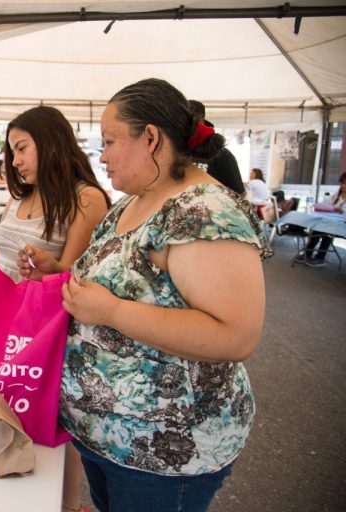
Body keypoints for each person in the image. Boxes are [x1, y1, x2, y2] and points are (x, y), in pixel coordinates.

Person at [42, 78, 270, 512]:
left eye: (109, 141)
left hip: (165, 453)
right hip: (107, 438)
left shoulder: (203, 209)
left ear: (150, 138)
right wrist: (60, 273)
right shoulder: (133, 202)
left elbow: (235, 335)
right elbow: (121, 279)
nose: (101, 156)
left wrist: (111, 311)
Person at [0, 105, 111, 512]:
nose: (14, 161)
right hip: (1, 321)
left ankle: (66, 505)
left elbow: (75, 273)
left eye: (21, 149)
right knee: (0, 414)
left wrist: (44, 272)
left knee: (49, 423)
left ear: (51, 143)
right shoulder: (21, 196)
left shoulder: (86, 199)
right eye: (11, 151)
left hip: (44, 332)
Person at [188, 100, 245, 195]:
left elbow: (239, 193)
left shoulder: (221, 154)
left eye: (192, 121)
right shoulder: (174, 152)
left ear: (202, 122)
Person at [295, 171, 346, 266]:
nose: (343, 185)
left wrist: (341, 209)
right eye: (342, 183)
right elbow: (328, 204)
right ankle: (308, 253)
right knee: (318, 229)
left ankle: (320, 257)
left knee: (327, 231)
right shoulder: (337, 194)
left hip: (341, 225)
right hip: (330, 221)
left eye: (345, 183)